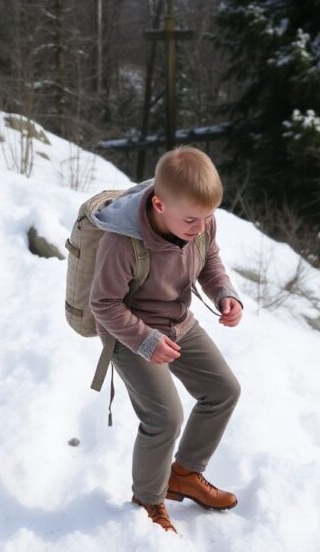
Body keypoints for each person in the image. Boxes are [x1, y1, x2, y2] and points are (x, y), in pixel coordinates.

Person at [88, 145, 244, 534]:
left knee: (223, 390)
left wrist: (225, 292)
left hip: (178, 322)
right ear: (159, 204)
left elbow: (209, 259)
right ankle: (148, 499)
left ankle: (185, 475)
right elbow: (103, 305)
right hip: (129, 333)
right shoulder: (121, 243)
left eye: (208, 217)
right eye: (192, 219)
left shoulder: (200, 221)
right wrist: (145, 341)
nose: (201, 226)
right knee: (164, 418)